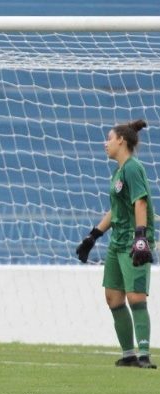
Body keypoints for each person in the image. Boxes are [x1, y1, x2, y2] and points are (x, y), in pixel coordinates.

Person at [76, 119, 156, 369]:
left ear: (121, 140)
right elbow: (115, 209)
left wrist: (141, 237)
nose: (105, 143)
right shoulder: (118, 171)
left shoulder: (133, 168)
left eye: (109, 138)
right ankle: (129, 354)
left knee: (136, 297)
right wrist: (93, 236)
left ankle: (144, 354)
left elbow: (140, 203)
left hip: (133, 241)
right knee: (113, 298)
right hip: (117, 242)